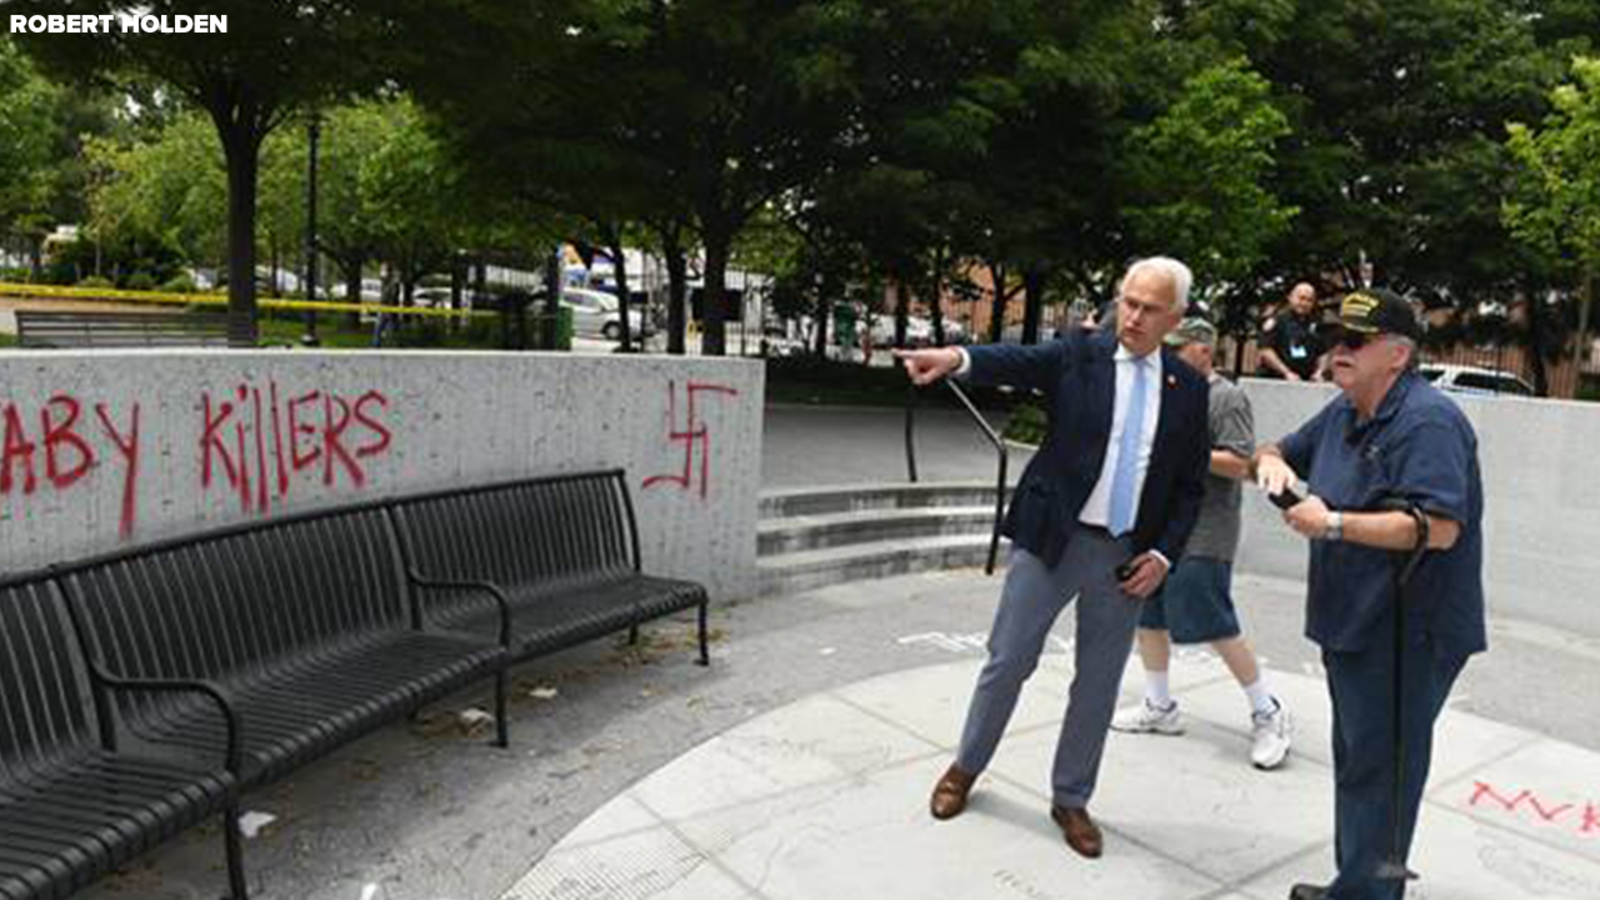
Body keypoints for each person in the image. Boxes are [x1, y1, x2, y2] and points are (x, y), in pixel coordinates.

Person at [895, 257, 1210, 859]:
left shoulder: (1187, 386)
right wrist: (955, 358)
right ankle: (965, 767)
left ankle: (1071, 798)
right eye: (1129, 301)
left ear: (1175, 317)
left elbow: (1191, 484)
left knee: (1097, 682)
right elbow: (1016, 360)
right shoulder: (1080, 353)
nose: (1134, 317)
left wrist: (1165, 556)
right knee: (1008, 660)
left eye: (1149, 309)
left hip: (1126, 557)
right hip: (1054, 539)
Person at [1253, 288, 1485, 900]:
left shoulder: (1428, 420)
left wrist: (1333, 522)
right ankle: (1355, 886)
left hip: (1408, 627)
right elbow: (1279, 449)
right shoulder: (1346, 406)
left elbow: (1437, 527)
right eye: (1336, 338)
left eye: (1356, 341)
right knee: (1361, 764)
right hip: (1352, 617)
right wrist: (1270, 462)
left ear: (1399, 355)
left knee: (1383, 777)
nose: (1340, 350)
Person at [1110, 317, 1292, 770]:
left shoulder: (1225, 396)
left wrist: (1181, 452)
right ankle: (1159, 706)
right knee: (1146, 609)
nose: (1168, 354)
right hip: (1158, 523)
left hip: (1208, 526)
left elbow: (1240, 463)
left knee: (1212, 619)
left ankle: (1267, 711)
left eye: (1179, 347)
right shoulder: (1165, 390)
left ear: (1205, 351)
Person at [1258, 282, 1326, 381]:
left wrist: (1319, 371)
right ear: (1290, 298)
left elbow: (1323, 352)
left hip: (1306, 381)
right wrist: (1286, 372)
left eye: (1309, 300)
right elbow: (1266, 351)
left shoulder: (1316, 324)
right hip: (1276, 380)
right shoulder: (1276, 322)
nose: (1304, 303)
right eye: (1301, 298)